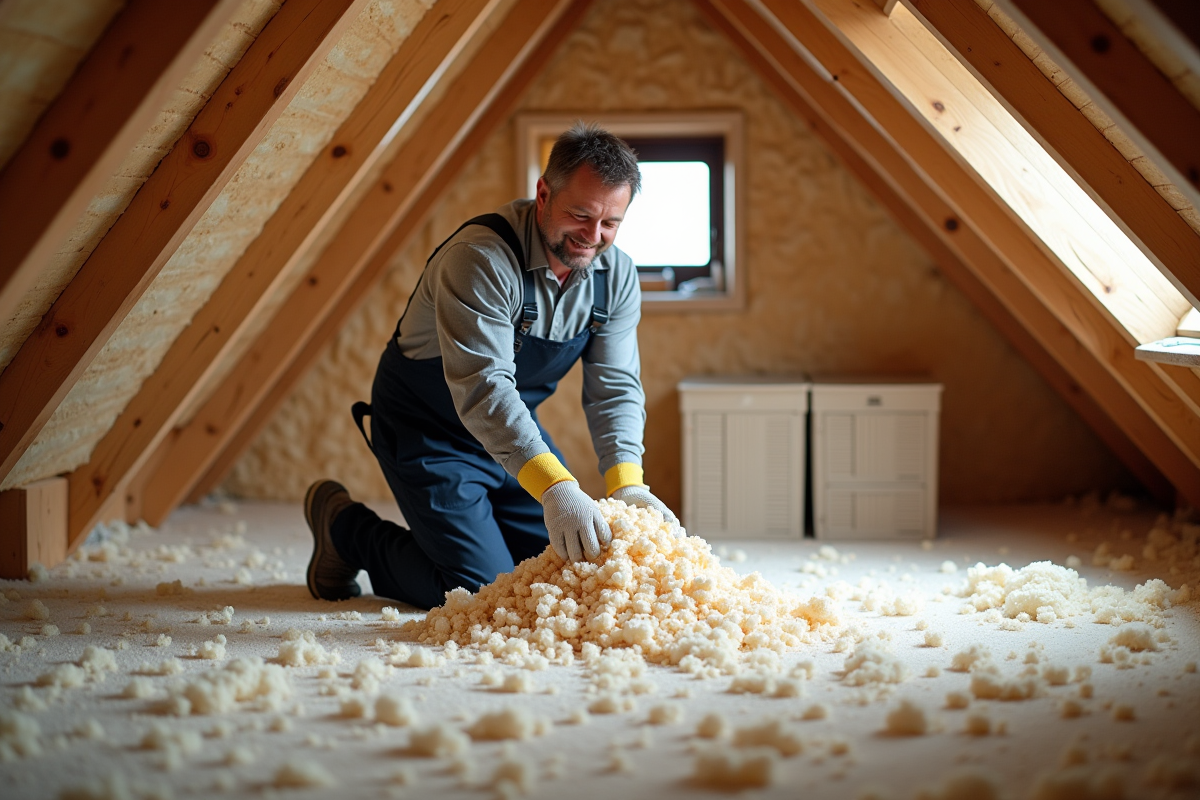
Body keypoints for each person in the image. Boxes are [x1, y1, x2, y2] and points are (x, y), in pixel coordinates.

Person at [303, 122, 677, 609]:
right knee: (480, 593)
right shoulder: (480, 258)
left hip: (514, 434)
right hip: (429, 432)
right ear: (543, 194)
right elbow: (484, 388)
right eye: (580, 215)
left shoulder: (617, 276)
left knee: (572, 571)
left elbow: (615, 388)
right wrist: (557, 487)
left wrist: (627, 483)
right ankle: (345, 530)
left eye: (610, 224)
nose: (593, 237)